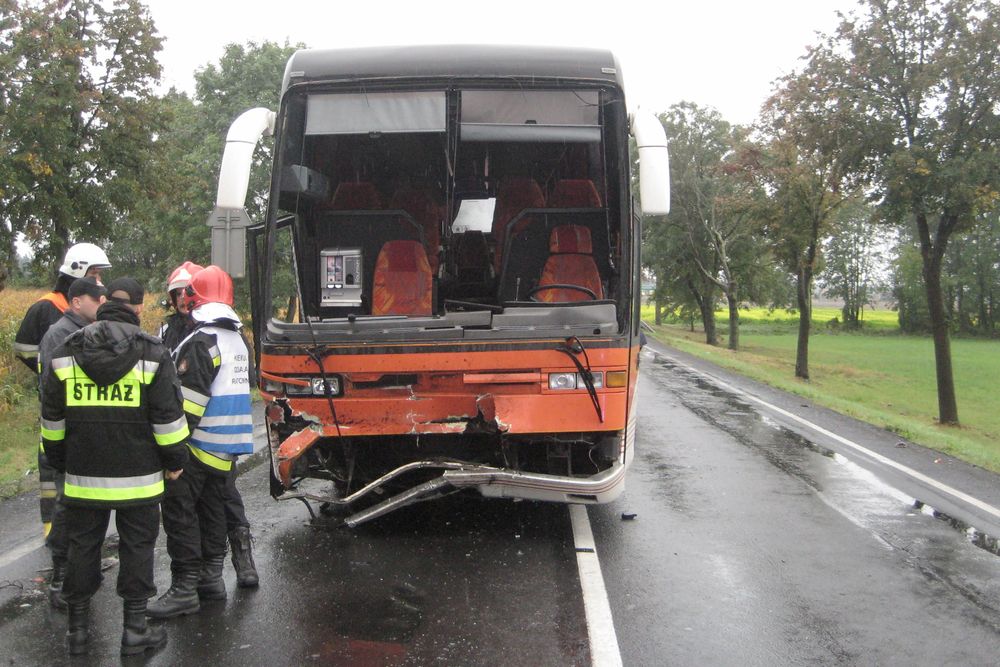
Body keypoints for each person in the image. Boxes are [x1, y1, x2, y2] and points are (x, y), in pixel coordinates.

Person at [40, 300, 189, 656]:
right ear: (134, 319)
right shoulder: (152, 355)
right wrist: (175, 461)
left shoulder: (64, 354)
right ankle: (135, 632)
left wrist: (63, 464)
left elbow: (52, 424)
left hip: (82, 479)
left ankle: (77, 632)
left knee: (81, 548)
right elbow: (168, 421)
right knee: (137, 549)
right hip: (140, 480)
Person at [148, 266, 255, 618]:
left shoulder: (201, 342)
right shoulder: (237, 339)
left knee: (180, 514)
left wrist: (173, 456)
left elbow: (189, 406)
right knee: (212, 513)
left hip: (197, 444)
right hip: (225, 448)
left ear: (195, 297)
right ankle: (211, 580)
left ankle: (184, 589)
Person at [14, 243, 111, 538]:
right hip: (56, 405)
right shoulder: (47, 308)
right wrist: (48, 373)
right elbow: (25, 348)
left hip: (75, 405)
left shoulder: (89, 309)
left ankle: (66, 539)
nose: (99, 281)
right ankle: (54, 535)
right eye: (94, 274)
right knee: (52, 475)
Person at [36, 277, 107, 610]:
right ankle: (61, 576)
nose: (102, 303)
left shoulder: (85, 331)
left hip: (84, 434)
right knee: (67, 504)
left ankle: (79, 573)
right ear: (77, 301)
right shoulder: (61, 335)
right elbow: (53, 391)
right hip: (69, 433)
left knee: (79, 506)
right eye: (97, 298)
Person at [158, 262, 202, 352]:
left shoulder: (212, 328)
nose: (183, 297)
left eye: (188, 292)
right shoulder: (166, 331)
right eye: (178, 294)